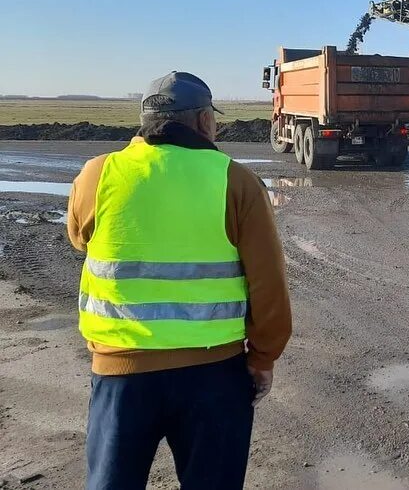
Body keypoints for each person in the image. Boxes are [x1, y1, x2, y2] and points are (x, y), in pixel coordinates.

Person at [67, 71, 292, 490]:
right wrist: (263, 358)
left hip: (121, 373)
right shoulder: (236, 181)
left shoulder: (99, 174)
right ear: (206, 121)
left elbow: (79, 238)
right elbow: (268, 284)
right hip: (214, 376)